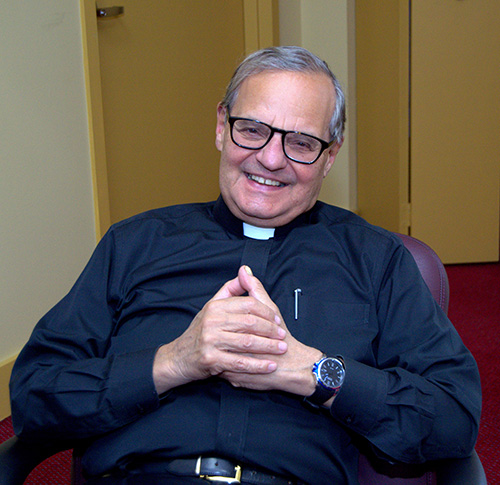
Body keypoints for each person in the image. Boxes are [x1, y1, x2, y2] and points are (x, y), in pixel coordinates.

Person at [9, 46, 481, 484]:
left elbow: (453, 419)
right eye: (252, 130)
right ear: (221, 126)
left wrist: (311, 372)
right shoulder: (135, 243)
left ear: (330, 155)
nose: (270, 159)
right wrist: (175, 361)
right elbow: (33, 398)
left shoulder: (376, 259)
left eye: (300, 142)